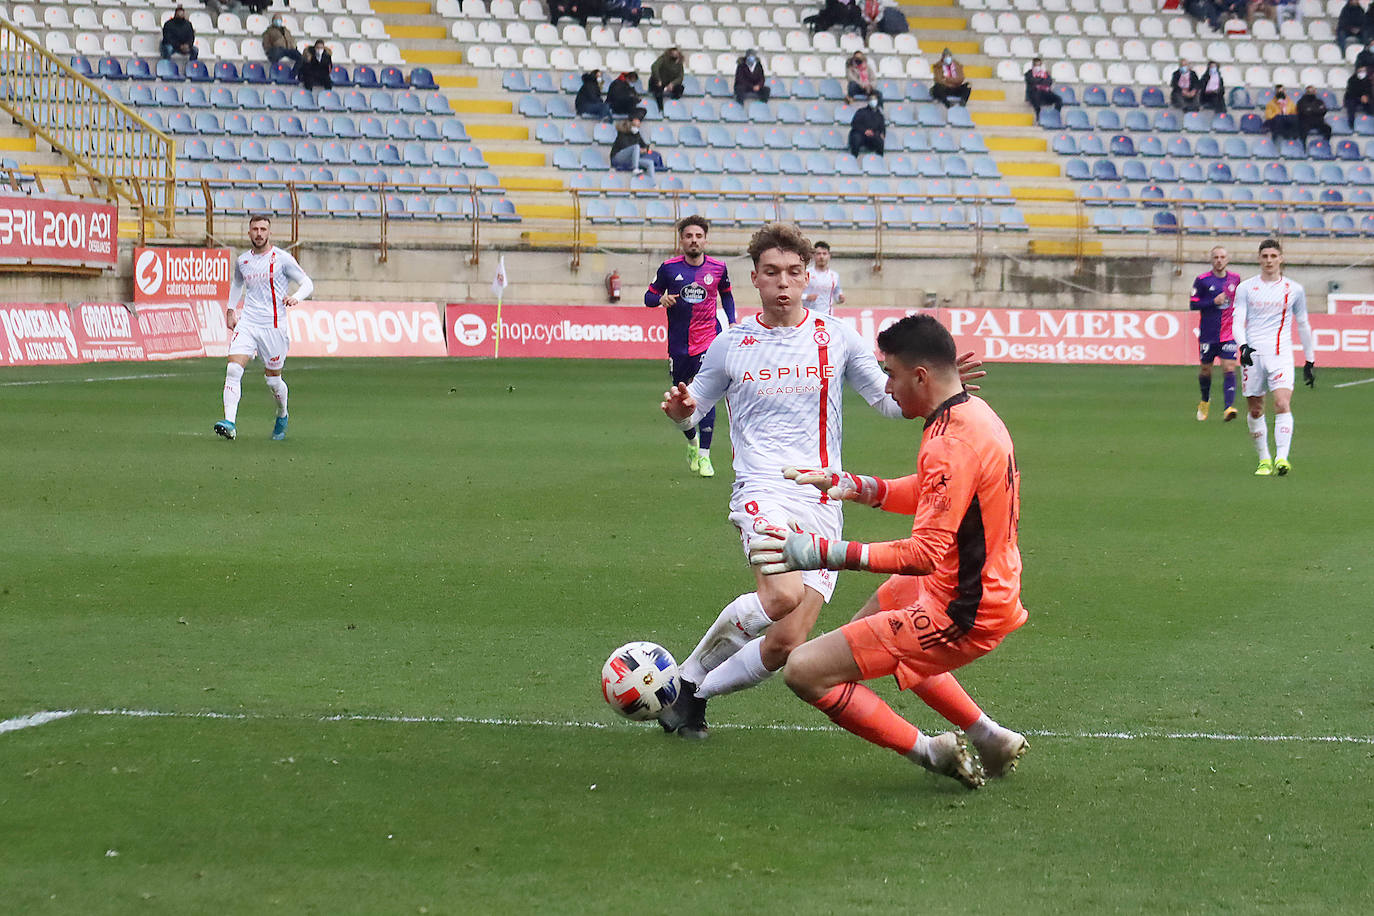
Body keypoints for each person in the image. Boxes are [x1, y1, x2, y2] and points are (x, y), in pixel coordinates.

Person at [655, 223, 984, 740]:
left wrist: (937, 379)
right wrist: (681, 412)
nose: (783, 283)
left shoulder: (837, 337)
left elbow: (887, 400)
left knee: (787, 643)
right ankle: (687, 677)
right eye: (771, 273)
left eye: (792, 272)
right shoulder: (730, 344)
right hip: (762, 488)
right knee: (782, 595)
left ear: (807, 276)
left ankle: (692, 698)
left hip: (822, 495)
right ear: (754, 279)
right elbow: (693, 408)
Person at [747, 313, 1029, 789]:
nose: (887, 386)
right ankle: (989, 736)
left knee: (805, 670)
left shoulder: (949, 443)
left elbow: (923, 553)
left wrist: (821, 552)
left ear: (920, 376)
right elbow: (936, 491)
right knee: (865, 632)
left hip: (964, 610)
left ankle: (932, 752)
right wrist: (859, 486)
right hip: (971, 585)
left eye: (891, 374)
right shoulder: (975, 416)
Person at [644, 216, 736, 479]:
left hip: (709, 340)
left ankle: (705, 456)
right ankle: (692, 442)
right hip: (679, 345)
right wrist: (660, 299)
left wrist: (732, 321)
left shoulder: (718, 268)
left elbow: (726, 295)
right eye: (689, 236)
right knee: (681, 397)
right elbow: (648, 297)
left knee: (705, 396)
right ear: (681, 240)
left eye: (698, 236)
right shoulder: (669, 268)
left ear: (705, 239)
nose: (694, 240)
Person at [215, 216, 313, 442]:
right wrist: (231, 310)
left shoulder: (282, 259)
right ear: (249, 232)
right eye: (255, 229)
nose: (259, 233)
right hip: (248, 322)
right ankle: (230, 423)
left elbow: (308, 283)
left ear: (269, 233)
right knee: (233, 369)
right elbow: (238, 283)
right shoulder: (242, 261)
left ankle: (282, 413)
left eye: (263, 229)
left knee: (273, 380)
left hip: (273, 326)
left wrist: (296, 298)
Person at [1233, 238, 1314, 477]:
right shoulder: (1246, 288)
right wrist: (1243, 346)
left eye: (1273, 256)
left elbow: (1303, 324)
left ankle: (1281, 457)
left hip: (1281, 354)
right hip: (1253, 355)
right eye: (1265, 256)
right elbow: (1238, 321)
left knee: (1282, 403)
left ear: (1281, 258)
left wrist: (1309, 359)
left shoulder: (1294, 289)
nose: (1269, 260)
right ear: (1259, 259)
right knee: (1256, 409)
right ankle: (1264, 459)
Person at [1189, 245, 1242, 423]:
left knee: (1229, 367)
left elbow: (1240, 302)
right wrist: (1213, 301)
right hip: (1208, 334)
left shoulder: (1236, 279)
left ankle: (1229, 407)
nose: (1219, 260)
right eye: (1216, 257)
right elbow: (1193, 304)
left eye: (1222, 257)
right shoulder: (1202, 280)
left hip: (1228, 333)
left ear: (1227, 259)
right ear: (1211, 260)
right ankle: (1205, 400)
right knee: (1206, 370)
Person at [609, 110, 663, 177]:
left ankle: (653, 185)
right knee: (636, 147)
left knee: (650, 163)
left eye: (638, 127)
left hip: (631, 160)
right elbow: (625, 146)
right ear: (630, 124)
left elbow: (644, 145)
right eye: (635, 126)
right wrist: (639, 150)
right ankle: (635, 169)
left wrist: (645, 149)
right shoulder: (622, 133)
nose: (636, 128)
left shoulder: (636, 134)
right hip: (617, 158)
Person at [801, 241, 845, 314]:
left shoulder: (834, 276)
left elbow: (836, 294)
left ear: (829, 256)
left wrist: (840, 298)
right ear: (813, 256)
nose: (821, 257)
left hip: (827, 316)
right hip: (808, 315)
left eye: (824, 254)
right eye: (818, 254)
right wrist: (806, 297)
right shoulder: (806, 273)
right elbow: (795, 294)